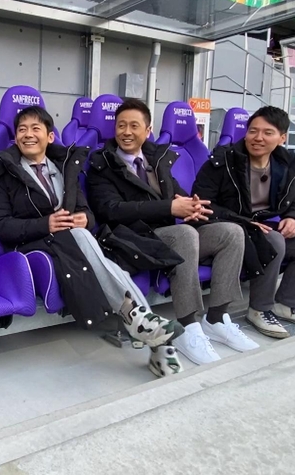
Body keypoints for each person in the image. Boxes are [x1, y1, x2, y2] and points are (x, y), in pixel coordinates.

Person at [0, 106, 183, 377]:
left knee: (106, 257)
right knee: (87, 243)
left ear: (50, 137)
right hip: (30, 246)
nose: (28, 135)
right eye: (22, 130)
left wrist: (84, 219)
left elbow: (86, 212)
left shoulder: (64, 168)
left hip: (70, 241)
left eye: (35, 129)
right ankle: (139, 320)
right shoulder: (3, 171)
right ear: (15, 137)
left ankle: (148, 329)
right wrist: (46, 224)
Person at [85, 98, 259, 366]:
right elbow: (110, 210)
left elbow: (177, 194)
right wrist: (170, 207)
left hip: (165, 233)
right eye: (121, 125)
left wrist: (192, 207)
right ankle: (188, 327)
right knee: (185, 235)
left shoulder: (157, 159)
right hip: (131, 239)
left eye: (134, 126)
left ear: (148, 130)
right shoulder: (101, 164)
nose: (126, 132)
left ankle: (216, 319)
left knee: (231, 232)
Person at [192, 106, 295, 339]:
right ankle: (259, 309)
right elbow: (203, 203)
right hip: (228, 228)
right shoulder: (223, 161)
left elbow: (294, 200)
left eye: (268, 132)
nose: (258, 138)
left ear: (282, 138)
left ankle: (286, 303)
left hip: (258, 227)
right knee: (272, 240)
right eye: (253, 131)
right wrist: (245, 222)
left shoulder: (284, 166)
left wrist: (294, 217)